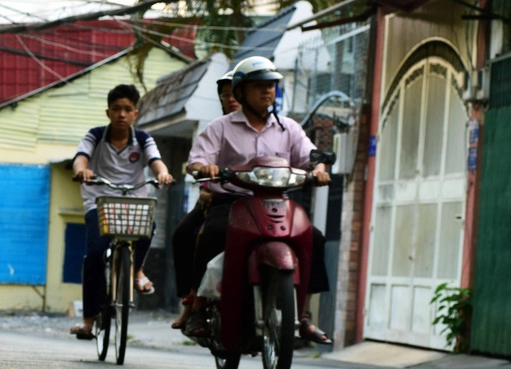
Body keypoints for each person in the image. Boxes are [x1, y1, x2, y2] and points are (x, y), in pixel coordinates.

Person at [185, 56, 332, 343]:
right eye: (259, 86)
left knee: (315, 238)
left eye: (271, 85)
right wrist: (205, 167)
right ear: (240, 92)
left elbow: (310, 155)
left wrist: (319, 168)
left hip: (278, 201)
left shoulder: (288, 128)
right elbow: (197, 159)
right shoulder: (220, 127)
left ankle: (302, 316)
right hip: (232, 202)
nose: (267, 91)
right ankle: (199, 310)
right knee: (213, 233)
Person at [69, 84, 173, 340]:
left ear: (135, 113)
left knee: (149, 227)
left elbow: (155, 160)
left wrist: (162, 173)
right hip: (100, 201)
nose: (122, 114)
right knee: (94, 254)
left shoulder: (143, 139)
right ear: (108, 112)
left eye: (127, 109)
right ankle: (88, 320)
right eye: (116, 109)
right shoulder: (95, 135)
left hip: (132, 203)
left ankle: (137, 270)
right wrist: (82, 170)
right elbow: (81, 157)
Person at [170, 69, 238, 330]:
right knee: (184, 234)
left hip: (256, 200)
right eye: (225, 95)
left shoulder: (272, 127)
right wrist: (206, 186)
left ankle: (298, 316)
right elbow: (200, 164)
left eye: (235, 94)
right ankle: (190, 300)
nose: (230, 99)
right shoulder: (217, 129)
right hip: (215, 198)